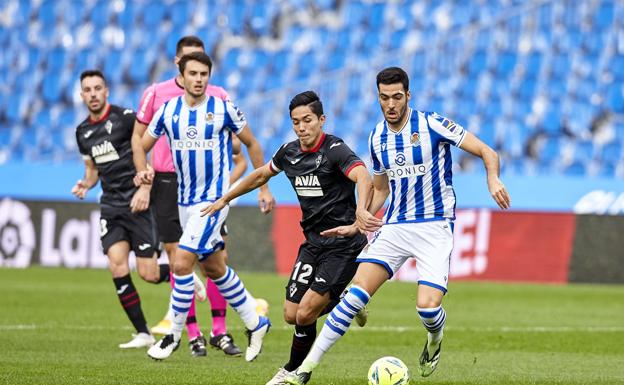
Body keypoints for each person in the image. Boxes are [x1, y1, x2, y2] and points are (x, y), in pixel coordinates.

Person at [285, 67, 512, 384]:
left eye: (396, 97)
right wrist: (359, 218)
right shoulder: (377, 137)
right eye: (383, 98)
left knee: (428, 311)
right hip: (396, 226)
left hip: (434, 227)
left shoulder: (432, 123)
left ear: (408, 96)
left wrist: (493, 178)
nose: (390, 104)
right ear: (378, 97)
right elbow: (381, 189)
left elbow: (487, 151)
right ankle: (305, 369)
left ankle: (434, 341)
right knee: (353, 298)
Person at [201, 91, 372, 384]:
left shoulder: (335, 150)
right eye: (296, 122)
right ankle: (345, 301)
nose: (302, 127)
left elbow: (364, 176)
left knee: (306, 313)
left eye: (307, 120)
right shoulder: (289, 152)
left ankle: (292, 371)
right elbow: (260, 175)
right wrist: (226, 198)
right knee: (291, 314)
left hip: (344, 244)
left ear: (321, 120)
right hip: (313, 243)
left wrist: (360, 212)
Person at [134, 51, 275, 362]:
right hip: (184, 202)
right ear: (182, 77)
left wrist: (263, 187)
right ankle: (256, 321)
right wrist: (142, 169)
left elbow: (251, 143)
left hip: (213, 202)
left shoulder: (223, 109)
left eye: (204, 74)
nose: (199, 79)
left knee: (181, 263)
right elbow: (141, 143)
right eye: (193, 74)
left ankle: (172, 335)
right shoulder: (169, 111)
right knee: (213, 268)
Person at [72, 70, 171, 349]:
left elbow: (147, 151)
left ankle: (182, 275)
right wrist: (85, 184)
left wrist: (146, 188)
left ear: (107, 91)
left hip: (138, 201)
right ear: (82, 96)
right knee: (116, 265)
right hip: (111, 205)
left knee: (149, 274)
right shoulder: (83, 132)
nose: (93, 94)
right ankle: (143, 333)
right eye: (87, 90)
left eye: (97, 88)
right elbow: (92, 170)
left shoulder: (126, 119)